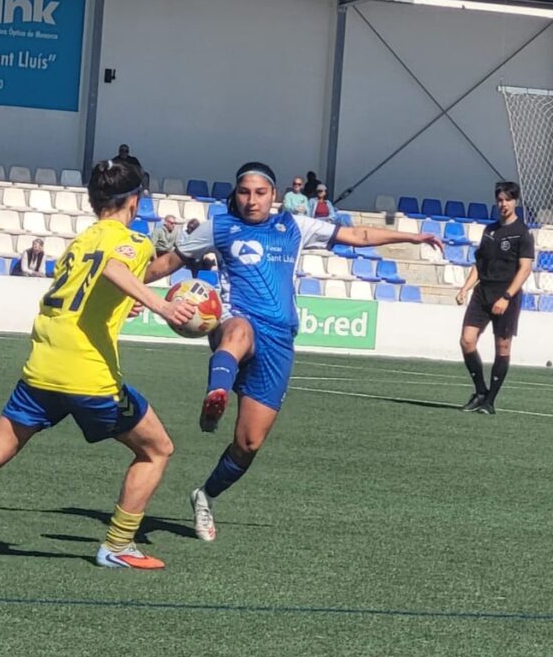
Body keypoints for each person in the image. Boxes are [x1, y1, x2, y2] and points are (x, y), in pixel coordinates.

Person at [0, 159, 196, 569]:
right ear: (134, 202)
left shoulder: (82, 242)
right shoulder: (131, 242)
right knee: (157, 449)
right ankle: (118, 544)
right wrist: (162, 307)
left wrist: (165, 267)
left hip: (43, 364)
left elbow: (111, 278)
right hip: (88, 375)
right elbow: (119, 268)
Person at [144, 161, 442, 542]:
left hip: (279, 341)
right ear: (235, 194)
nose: (251, 200)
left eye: (260, 193)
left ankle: (205, 495)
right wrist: (130, 285)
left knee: (248, 443)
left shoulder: (294, 226)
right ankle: (216, 391)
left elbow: (358, 234)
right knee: (236, 331)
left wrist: (410, 238)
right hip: (238, 321)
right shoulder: (218, 226)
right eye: (244, 192)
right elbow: (169, 263)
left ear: (275, 194)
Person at [455, 181, 534, 415]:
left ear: (515, 202)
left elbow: (525, 269)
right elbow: (479, 265)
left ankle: (490, 402)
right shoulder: (489, 231)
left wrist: (507, 296)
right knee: (467, 340)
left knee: (502, 346)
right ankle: (480, 391)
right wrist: (465, 288)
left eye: (507, 199)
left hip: (505, 295)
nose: (503, 204)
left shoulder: (522, 233)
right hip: (483, 293)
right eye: (499, 200)